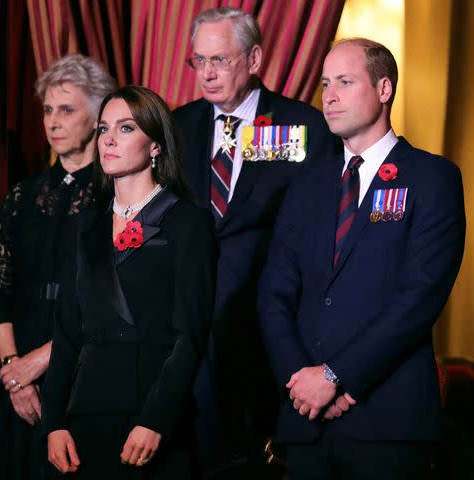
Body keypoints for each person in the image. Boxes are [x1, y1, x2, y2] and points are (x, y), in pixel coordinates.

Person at [258, 38, 466, 480]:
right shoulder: (305, 185)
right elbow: (274, 293)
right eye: (325, 83)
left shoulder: (432, 178)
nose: (328, 96)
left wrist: (336, 378)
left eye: (345, 82)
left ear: (384, 88)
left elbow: (419, 298)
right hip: (305, 422)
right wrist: (303, 382)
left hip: (387, 418)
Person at [173, 7, 339, 478]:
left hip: (270, 335)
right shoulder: (177, 127)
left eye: (220, 60)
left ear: (255, 58)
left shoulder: (303, 127)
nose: (206, 73)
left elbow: (321, 231)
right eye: (198, 61)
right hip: (191, 332)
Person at [42, 85, 217, 480]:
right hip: (84, 412)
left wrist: (156, 419)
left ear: (155, 145)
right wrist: (53, 423)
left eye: (125, 129)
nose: (108, 139)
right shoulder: (86, 226)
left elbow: (190, 334)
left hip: (151, 412)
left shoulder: (189, 222)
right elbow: (67, 333)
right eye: (104, 129)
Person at [0, 54, 116, 480]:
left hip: (83, 377)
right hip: (14, 379)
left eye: (67, 109)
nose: (53, 121)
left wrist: (40, 363)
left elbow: (116, 301)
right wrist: (15, 372)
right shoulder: (22, 196)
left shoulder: (118, 197)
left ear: (96, 118)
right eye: (48, 110)